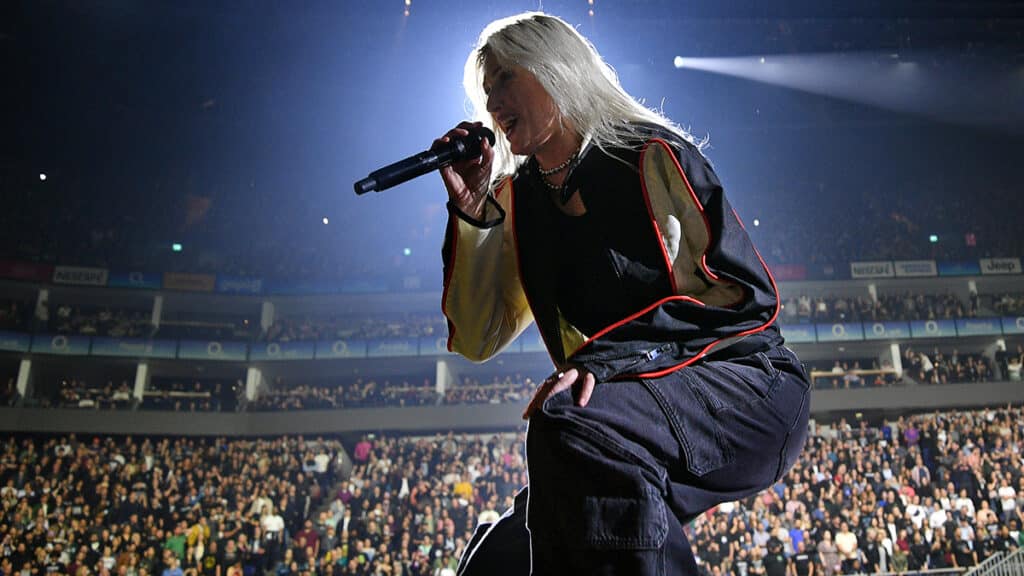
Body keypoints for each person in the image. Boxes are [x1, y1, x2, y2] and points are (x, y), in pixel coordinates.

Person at [437, 12, 810, 576]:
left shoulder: (650, 156)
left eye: (505, 80)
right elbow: (477, 335)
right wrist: (472, 213)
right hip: (622, 423)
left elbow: (741, 301)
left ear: (554, 68)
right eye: (486, 92)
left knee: (568, 421)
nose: (493, 104)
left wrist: (606, 360)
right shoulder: (522, 199)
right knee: (496, 561)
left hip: (746, 387)